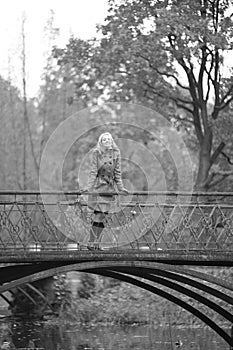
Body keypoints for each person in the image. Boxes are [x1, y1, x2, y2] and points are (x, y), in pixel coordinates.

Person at [85, 132, 128, 249]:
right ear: (101, 142)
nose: (107, 141)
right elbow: (93, 171)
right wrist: (89, 188)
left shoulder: (116, 153)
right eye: (104, 140)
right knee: (98, 216)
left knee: (103, 217)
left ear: (112, 141)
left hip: (109, 189)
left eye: (109, 139)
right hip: (99, 187)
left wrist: (120, 188)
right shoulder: (96, 153)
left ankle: (96, 244)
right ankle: (92, 243)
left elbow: (117, 173)